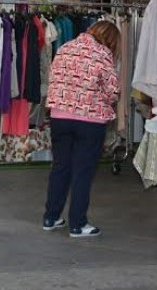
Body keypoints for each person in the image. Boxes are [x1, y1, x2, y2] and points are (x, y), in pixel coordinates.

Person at [43, 21, 120, 238]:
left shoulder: (65, 48)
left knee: (60, 167)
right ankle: (78, 223)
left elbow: (53, 78)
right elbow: (113, 91)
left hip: (59, 116)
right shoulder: (103, 54)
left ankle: (51, 216)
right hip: (90, 120)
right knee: (82, 172)